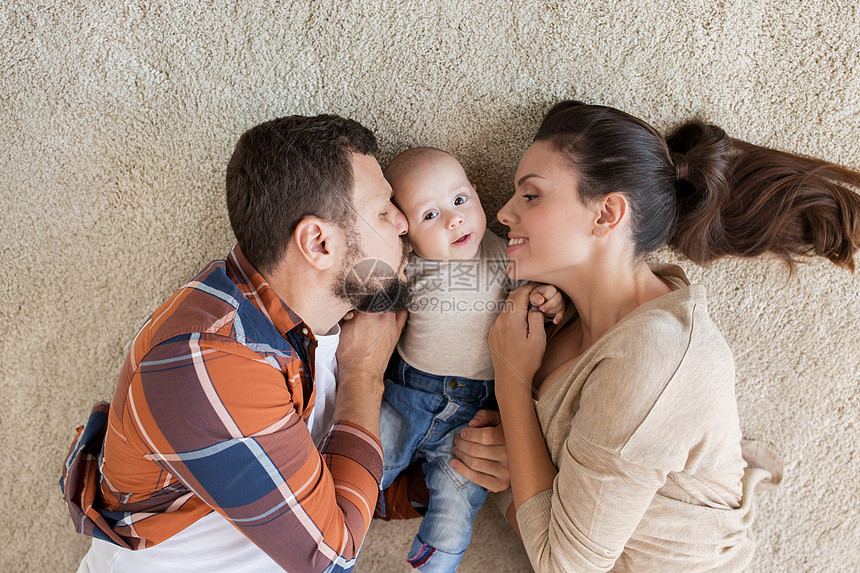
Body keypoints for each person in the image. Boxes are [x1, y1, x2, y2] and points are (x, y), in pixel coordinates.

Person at [451, 101, 860, 571]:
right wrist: (528, 472)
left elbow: (562, 563)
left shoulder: (655, 354)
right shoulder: (566, 314)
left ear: (607, 214)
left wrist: (511, 380)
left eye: (531, 195)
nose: (503, 213)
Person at [61, 114, 422, 573]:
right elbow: (329, 555)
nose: (404, 222)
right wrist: (364, 376)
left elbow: (310, 491)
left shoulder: (319, 325)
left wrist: (435, 482)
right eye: (383, 210)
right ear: (319, 242)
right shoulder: (209, 360)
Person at [375, 148, 563, 572]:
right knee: (364, 468)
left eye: (460, 201)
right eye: (430, 216)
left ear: (477, 195)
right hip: (405, 397)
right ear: (405, 234)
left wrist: (548, 298)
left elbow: (539, 287)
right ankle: (330, 532)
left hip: (474, 415)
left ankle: (434, 563)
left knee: (458, 503)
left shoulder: (506, 255)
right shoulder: (408, 267)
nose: (453, 219)